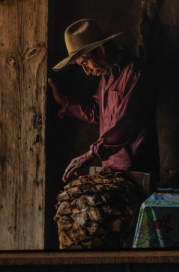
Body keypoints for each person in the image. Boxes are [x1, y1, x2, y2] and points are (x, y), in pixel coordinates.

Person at [47, 19, 156, 182]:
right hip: (111, 170)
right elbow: (98, 111)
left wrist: (91, 154)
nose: (87, 72)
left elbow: (125, 124)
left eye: (85, 63)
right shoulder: (106, 77)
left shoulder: (134, 73)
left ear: (100, 49)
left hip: (136, 171)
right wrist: (64, 102)